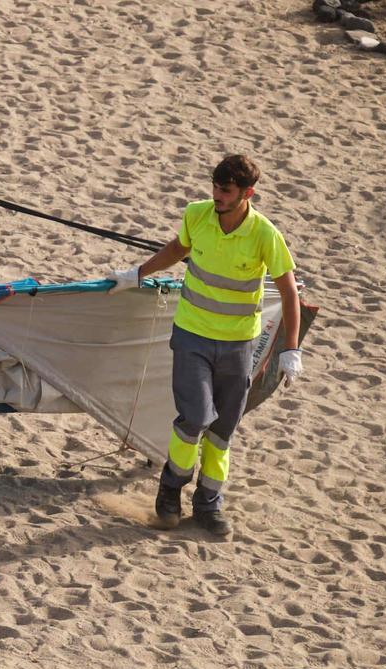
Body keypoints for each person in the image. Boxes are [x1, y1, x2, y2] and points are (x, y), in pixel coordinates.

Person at [110, 154, 301, 538]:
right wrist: (138, 274)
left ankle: (208, 505)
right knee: (195, 418)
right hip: (192, 336)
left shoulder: (266, 235)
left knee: (223, 430)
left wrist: (290, 349)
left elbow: (289, 292)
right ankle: (170, 489)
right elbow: (176, 250)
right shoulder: (196, 215)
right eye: (214, 187)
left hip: (237, 346)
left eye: (225, 190)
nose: (216, 195)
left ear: (247, 193)